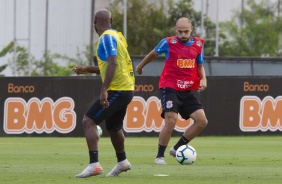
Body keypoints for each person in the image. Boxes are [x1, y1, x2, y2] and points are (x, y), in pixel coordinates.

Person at [136, 17, 208, 165]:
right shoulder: (168, 42)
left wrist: (204, 79)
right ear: (176, 30)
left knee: (202, 121)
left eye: (186, 31)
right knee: (171, 121)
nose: (183, 35)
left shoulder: (199, 44)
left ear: (191, 29)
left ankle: (176, 149)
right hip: (170, 87)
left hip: (187, 90)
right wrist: (140, 66)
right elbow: (152, 54)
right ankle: (159, 156)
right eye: (180, 32)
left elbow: (199, 66)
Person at [73, 9, 135, 177]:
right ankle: (122, 162)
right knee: (113, 127)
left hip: (118, 88)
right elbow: (109, 65)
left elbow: (113, 64)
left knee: (89, 121)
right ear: (111, 20)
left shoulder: (106, 37)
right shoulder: (117, 36)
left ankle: (94, 164)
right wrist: (86, 69)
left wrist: (104, 90)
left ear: (94, 21)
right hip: (126, 88)